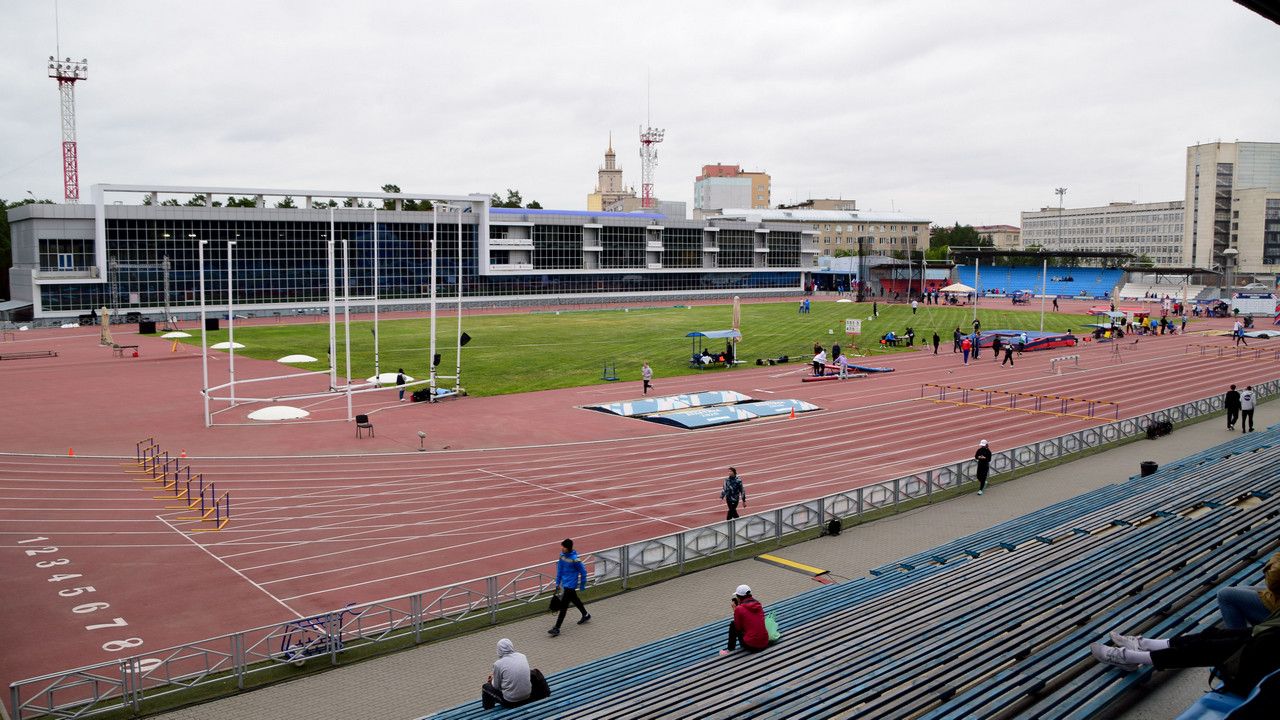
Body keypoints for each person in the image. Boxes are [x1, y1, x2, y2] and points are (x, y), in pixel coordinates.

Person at [1090, 604, 1280, 702]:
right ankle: (1146, 644)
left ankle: (1131, 658)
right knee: (1212, 635)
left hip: (1269, 654)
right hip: (1272, 631)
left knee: (1203, 649)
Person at [1219, 550, 1280, 630]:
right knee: (1236, 590)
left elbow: (1273, 578)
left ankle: (1241, 639)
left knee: (1225, 595)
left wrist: (1272, 564)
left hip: (1277, 611)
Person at [548, 539, 590, 635]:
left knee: (563, 607)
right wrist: (558, 582)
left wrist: (582, 584)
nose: (561, 548)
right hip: (565, 583)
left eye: (564, 547)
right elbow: (560, 570)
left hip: (571, 585)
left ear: (568, 548)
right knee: (575, 600)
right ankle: (585, 615)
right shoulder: (562, 557)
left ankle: (557, 628)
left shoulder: (575, 559)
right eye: (561, 546)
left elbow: (583, 572)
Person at [481, 638, 531, 709]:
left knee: (485, 687)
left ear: (498, 650)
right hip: (527, 696)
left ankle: (488, 712)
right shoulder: (522, 656)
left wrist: (493, 679)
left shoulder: (498, 664)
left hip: (511, 702)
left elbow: (496, 686)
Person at [719, 584, 769, 656]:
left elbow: (738, 627)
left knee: (733, 624)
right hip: (764, 642)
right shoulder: (758, 604)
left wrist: (735, 611)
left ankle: (730, 651)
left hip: (752, 646)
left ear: (738, 597)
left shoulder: (740, 609)